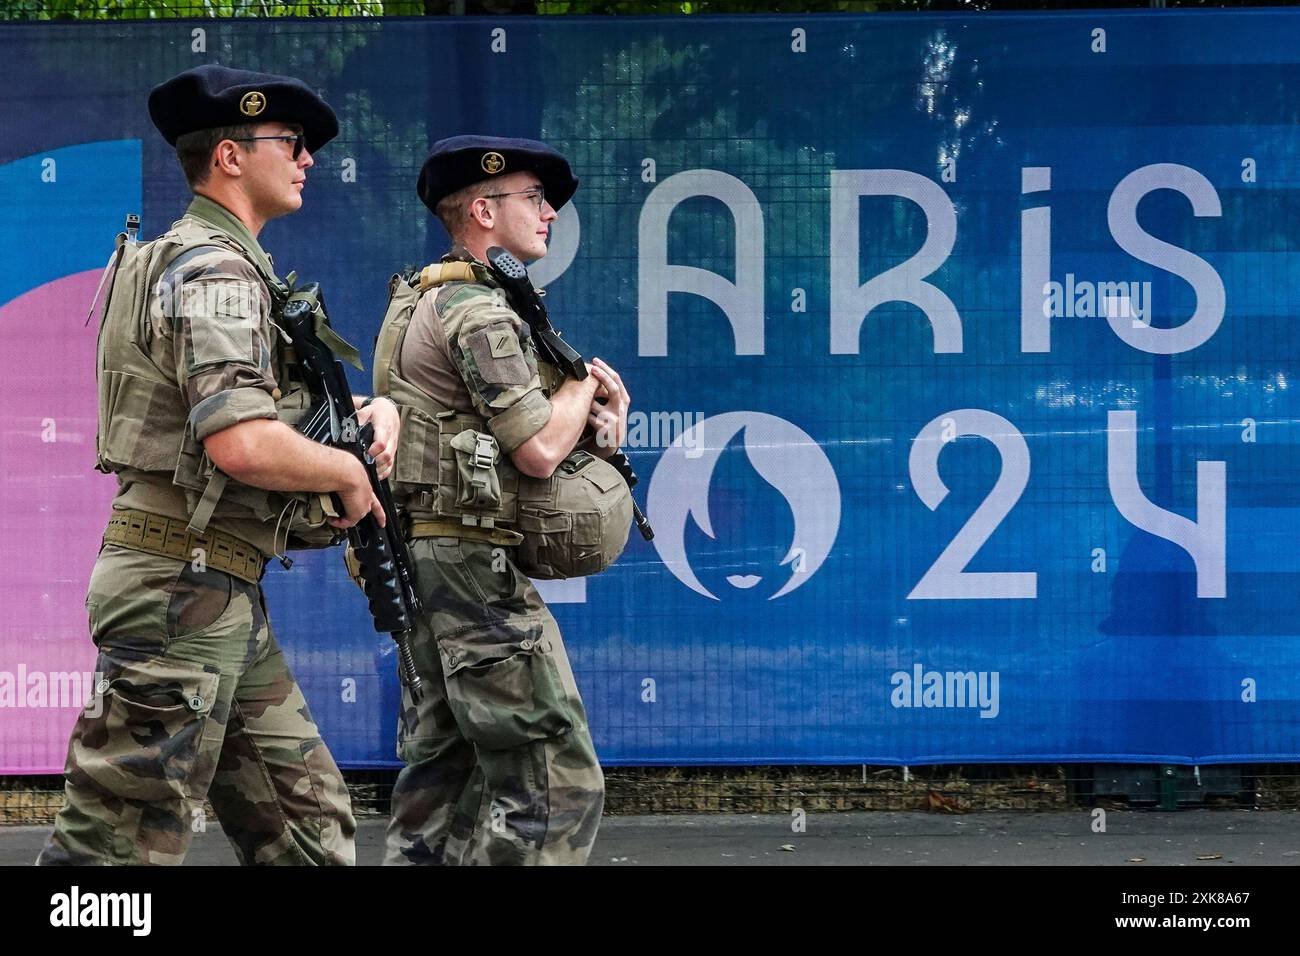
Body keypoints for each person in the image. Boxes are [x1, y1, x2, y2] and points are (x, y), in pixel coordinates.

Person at [37, 65, 400, 866]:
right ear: (230, 157)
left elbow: (264, 423)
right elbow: (239, 440)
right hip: (179, 592)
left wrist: (363, 425)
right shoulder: (216, 270)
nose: (308, 159)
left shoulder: (220, 265)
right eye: (292, 143)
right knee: (115, 854)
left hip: (214, 588)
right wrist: (347, 473)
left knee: (305, 829)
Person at [376, 136, 631, 865]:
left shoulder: (426, 297)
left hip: (431, 556)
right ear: (483, 209)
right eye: (534, 199)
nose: (550, 213)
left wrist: (598, 430)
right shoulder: (476, 310)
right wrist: (584, 387)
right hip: (468, 568)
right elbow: (538, 450)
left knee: (443, 782)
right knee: (555, 785)